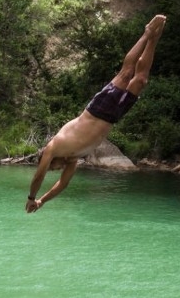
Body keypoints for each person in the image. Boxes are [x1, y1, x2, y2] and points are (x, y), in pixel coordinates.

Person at [26, 15, 166, 213]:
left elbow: (38, 177)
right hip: (113, 117)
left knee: (126, 73)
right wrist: (42, 201)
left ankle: (146, 34)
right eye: (53, 170)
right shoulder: (73, 159)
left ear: (46, 160)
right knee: (140, 80)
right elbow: (62, 185)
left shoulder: (53, 147)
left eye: (51, 168)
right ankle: (153, 40)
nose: (54, 170)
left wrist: (31, 197)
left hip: (96, 110)